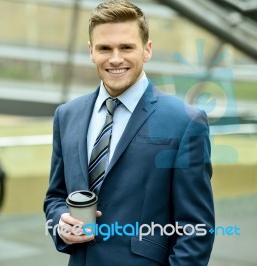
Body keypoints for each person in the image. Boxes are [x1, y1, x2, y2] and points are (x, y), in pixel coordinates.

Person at [44, 1, 215, 265]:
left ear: (147, 50)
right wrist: (60, 222)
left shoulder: (185, 121)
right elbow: (56, 196)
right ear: (91, 51)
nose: (115, 58)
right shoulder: (67, 115)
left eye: (126, 47)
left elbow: (196, 229)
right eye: (104, 48)